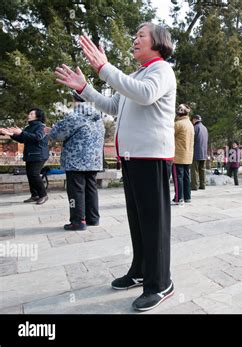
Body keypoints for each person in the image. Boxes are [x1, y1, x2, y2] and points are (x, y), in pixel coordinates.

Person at [54, 23, 176, 311]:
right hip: (133, 158)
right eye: (134, 36)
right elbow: (112, 106)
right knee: (138, 221)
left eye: (140, 36)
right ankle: (141, 270)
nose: (134, 40)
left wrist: (104, 68)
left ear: (157, 42)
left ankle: (161, 283)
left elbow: (145, 95)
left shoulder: (161, 70)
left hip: (153, 157)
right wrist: (84, 88)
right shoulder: (135, 74)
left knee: (154, 223)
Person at [47, 92, 105, 231]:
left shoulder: (74, 116)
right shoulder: (98, 118)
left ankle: (78, 221)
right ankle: (93, 218)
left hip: (76, 160)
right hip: (94, 160)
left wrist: (51, 130)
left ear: (74, 100)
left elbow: (56, 135)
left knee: (76, 191)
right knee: (91, 188)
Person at [0, 108, 49, 204]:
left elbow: (37, 138)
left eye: (31, 114)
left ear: (37, 116)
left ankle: (43, 195)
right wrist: (10, 134)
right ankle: (34, 195)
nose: (28, 115)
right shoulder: (28, 127)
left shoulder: (42, 127)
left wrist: (21, 132)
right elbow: (22, 139)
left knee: (34, 174)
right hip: (30, 155)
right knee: (30, 175)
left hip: (39, 155)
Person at [172, 104, 194, 205]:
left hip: (178, 155)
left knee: (178, 177)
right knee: (186, 176)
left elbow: (170, 136)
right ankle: (187, 197)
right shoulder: (190, 124)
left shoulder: (178, 124)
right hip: (188, 154)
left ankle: (179, 197)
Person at [191, 114, 208, 190]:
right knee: (202, 169)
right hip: (204, 153)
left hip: (196, 152)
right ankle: (203, 185)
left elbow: (192, 140)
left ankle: (194, 186)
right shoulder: (205, 128)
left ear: (194, 119)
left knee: (195, 170)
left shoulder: (195, 128)